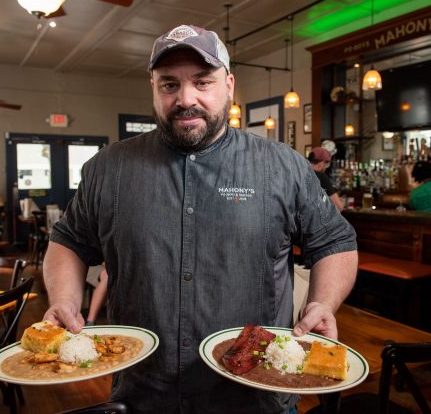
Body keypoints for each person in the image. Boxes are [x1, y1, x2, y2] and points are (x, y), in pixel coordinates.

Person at [43, 24, 358, 414]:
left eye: (202, 82)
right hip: (144, 392)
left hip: (256, 392)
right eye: (169, 85)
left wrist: (322, 303)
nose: (185, 99)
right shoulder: (109, 169)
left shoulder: (282, 166)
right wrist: (64, 300)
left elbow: (334, 242)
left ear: (229, 85)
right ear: (154, 88)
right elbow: (69, 242)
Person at [307, 147, 344, 211]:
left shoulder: (301, 173)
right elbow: (338, 207)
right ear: (321, 163)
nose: (326, 167)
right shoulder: (321, 177)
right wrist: (342, 202)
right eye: (327, 164)